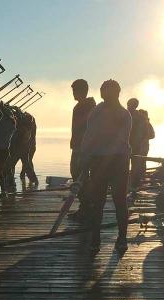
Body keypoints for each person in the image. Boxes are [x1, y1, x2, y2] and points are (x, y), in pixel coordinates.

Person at [79, 79, 132, 254]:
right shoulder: (96, 112)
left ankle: (122, 238)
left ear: (117, 93)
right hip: (99, 161)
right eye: (103, 90)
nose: (105, 94)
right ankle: (95, 238)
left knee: (120, 201)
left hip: (118, 161)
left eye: (109, 91)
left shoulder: (124, 114)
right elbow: (89, 137)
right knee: (97, 202)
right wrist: (85, 159)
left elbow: (121, 138)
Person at [68, 79, 97, 220]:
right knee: (80, 177)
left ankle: (87, 207)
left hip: (82, 148)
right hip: (80, 147)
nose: (73, 93)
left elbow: (87, 129)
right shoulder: (83, 106)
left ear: (82, 91)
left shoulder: (85, 107)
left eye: (75, 90)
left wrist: (82, 148)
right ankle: (86, 206)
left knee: (79, 177)